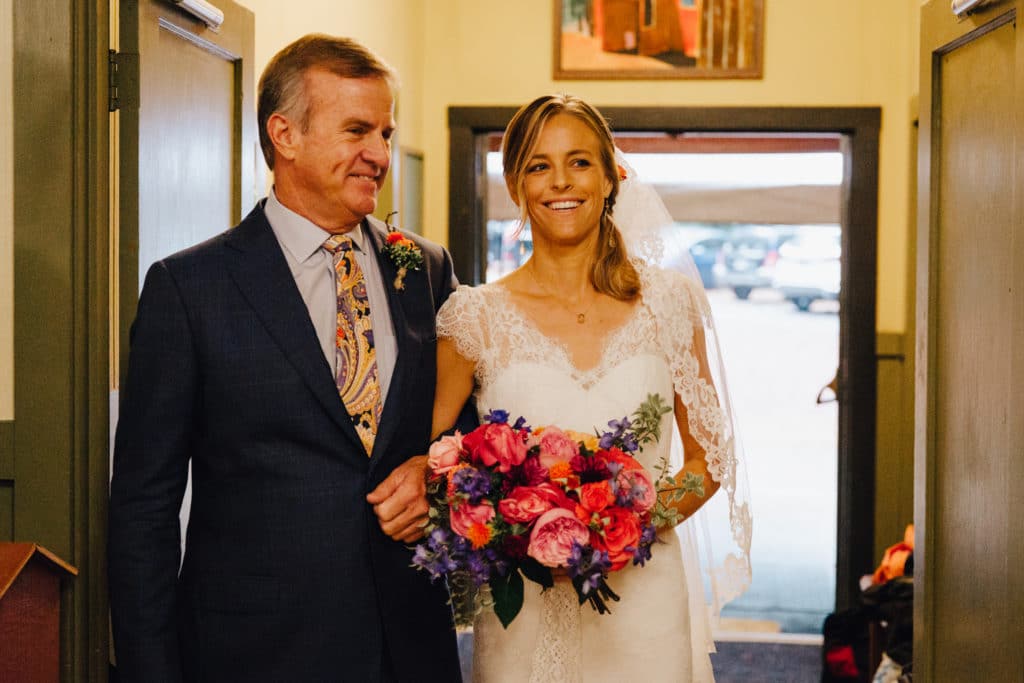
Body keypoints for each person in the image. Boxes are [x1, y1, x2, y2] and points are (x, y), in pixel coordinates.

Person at [108, 34, 463, 682]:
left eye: (385, 132)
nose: (379, 155)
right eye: (357, 130)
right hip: (254, 655)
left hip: (410, 651)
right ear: (284, 134)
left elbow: (473, 422)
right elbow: (143, 510)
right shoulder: (190, 290)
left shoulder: (424, 268)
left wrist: (433, 476)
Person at [431, 94, 752, 682]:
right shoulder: (472, 316)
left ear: (611, 176)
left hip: (643, 601)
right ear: (515, 185)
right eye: (537, 165)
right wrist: (502, 527)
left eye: (579, 162)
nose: (561, 182)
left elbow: (710, 457)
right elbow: (431, 465)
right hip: (522, 605)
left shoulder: (669, 303)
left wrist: (622, 533)